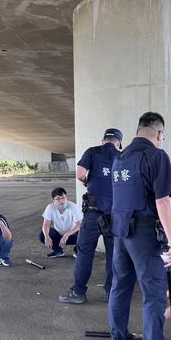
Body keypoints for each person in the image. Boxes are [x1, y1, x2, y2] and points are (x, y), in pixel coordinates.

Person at [108, 112, 171, 340]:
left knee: (121, 285)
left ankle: (118, 338)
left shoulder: (120, 157)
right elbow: (162, 201)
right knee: (153, 293)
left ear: (138, 130)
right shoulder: (157, 156)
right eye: (163, 136)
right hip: (145, 235)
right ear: (159, 134)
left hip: (120, 233)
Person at [59, 128, 122, 304]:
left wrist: (87, 181)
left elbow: (80, 173)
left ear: (103, 140)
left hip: (94, 212)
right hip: (115, 214)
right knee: (114, 254)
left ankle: (78, 293)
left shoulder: (92, 152)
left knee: (85, 252)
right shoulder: (123, 156)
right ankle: (112, 292)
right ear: (118, 142)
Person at [39, 187, 82, 258]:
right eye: (58, 199)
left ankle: (77, 250)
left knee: (84, 232)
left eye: (63, 197)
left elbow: (79, 224)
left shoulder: (73, 206)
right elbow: (46, 225)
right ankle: (58, 251)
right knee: (42, 234)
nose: (62, 200)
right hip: (59, 235)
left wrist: (67, 235)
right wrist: (46, 236)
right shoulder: (50, 208)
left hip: (73, 235)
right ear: (53, 200)